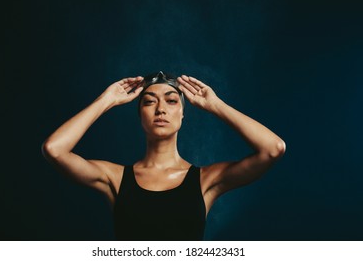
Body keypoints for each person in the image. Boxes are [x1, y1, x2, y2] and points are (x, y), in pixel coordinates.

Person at [42, 71, 286, 240]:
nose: (160, 109)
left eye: (171, 101)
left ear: (183, 114)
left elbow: (273, 148)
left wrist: (215, 105)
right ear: (140, 115)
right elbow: (55, 149)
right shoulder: (114, 178)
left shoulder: (205, 180)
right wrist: (105, 101)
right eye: (149, 102)